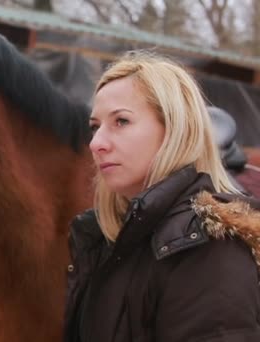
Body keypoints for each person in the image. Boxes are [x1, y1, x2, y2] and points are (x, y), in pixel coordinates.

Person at [64, 50, 260, 342]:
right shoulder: (104, 238)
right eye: (95, 126)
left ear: (174, 130)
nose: (96, 143)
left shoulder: (209, 250)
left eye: (121, 121)